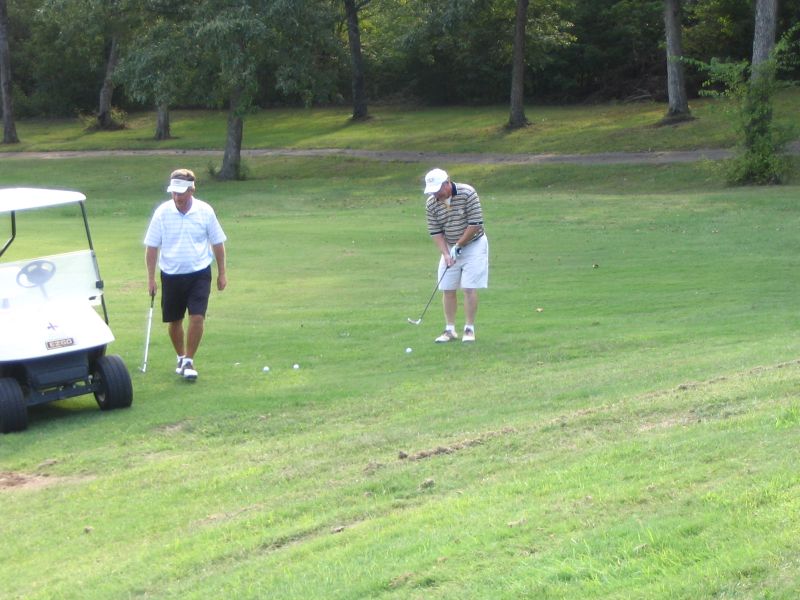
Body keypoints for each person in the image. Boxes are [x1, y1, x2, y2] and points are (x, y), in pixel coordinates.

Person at [144, 168, 227, 380]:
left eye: (181, 192)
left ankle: (189, 360)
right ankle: (180, 356)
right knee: (174, 321)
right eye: (174, 192)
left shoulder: (205, 211)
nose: (177, 197)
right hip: (171, 274)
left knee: (197, 317)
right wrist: (151, 279)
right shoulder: (162, 213)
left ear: (192, 190)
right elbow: (152, 247)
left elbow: (217, 242)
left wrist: (222, 273)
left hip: (199, 272)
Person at [422, 168, 489, 343]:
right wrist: (445, 253)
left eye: (438, 190)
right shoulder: (431, 203)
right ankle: (450, 330)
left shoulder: (468, 192)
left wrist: (459, 245)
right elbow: (436, 232)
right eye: (432, 191)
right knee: (447, 287)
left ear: (447, 182)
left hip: (474, 244)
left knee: (468, 287)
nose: (436, 194)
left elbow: (475, 224)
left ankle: (469, 329)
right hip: (450, 246)